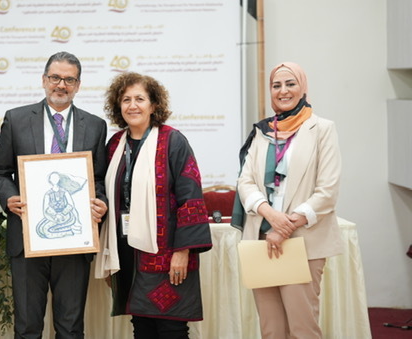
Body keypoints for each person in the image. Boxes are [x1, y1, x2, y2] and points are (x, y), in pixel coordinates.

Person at [0, 51, 108, 339]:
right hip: (28, 238)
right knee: (27, 327)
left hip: (74, 238)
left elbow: (98, 178)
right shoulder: (16, 119)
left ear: (78, 85)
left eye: (69, 79)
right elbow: (0, 173)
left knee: (70, 328)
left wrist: (101, 203)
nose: (61, 85)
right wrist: (9, 198)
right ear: (43, 80)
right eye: (55, 77)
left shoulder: (95, 125)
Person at [94, 72, 213, 339]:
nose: (132, 105)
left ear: (153, 105)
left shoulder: (173, 141)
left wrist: (183, 251)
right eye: (126, 100)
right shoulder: (114, 145)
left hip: (167, 253)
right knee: (142, 327)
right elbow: (103, 190)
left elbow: (191, 197)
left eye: (139, 99)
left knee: (172, 328)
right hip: (128, 252)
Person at [233, 62, 342, 339]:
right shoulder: (262, 131)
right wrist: (271, 216)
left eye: (290, 84)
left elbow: (327, 190)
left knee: (302, 329)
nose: (283, 91)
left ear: (302, 88)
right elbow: (245, 181)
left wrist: (284, 227)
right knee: (271, 330)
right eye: (276, 85)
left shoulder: (322, 129)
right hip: (262, 239)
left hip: (303, 241)